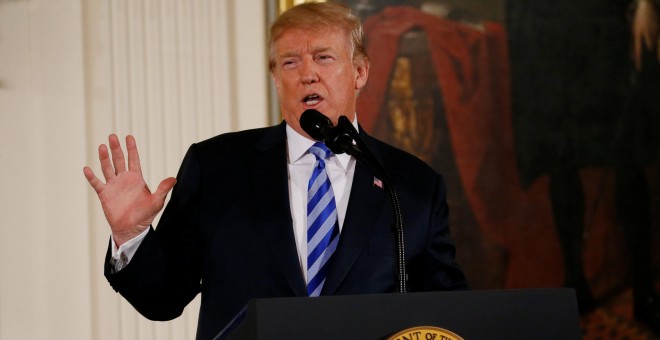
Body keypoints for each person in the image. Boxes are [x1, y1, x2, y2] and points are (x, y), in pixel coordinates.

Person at [83, 2, 468, 339]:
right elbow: (162, 299)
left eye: (324, 57)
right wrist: (130, 235)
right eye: (290, 62)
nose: (307, 74)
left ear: (360, 72)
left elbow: (449, 314)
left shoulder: (412, 185)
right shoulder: (218, 167)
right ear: (276, 78)